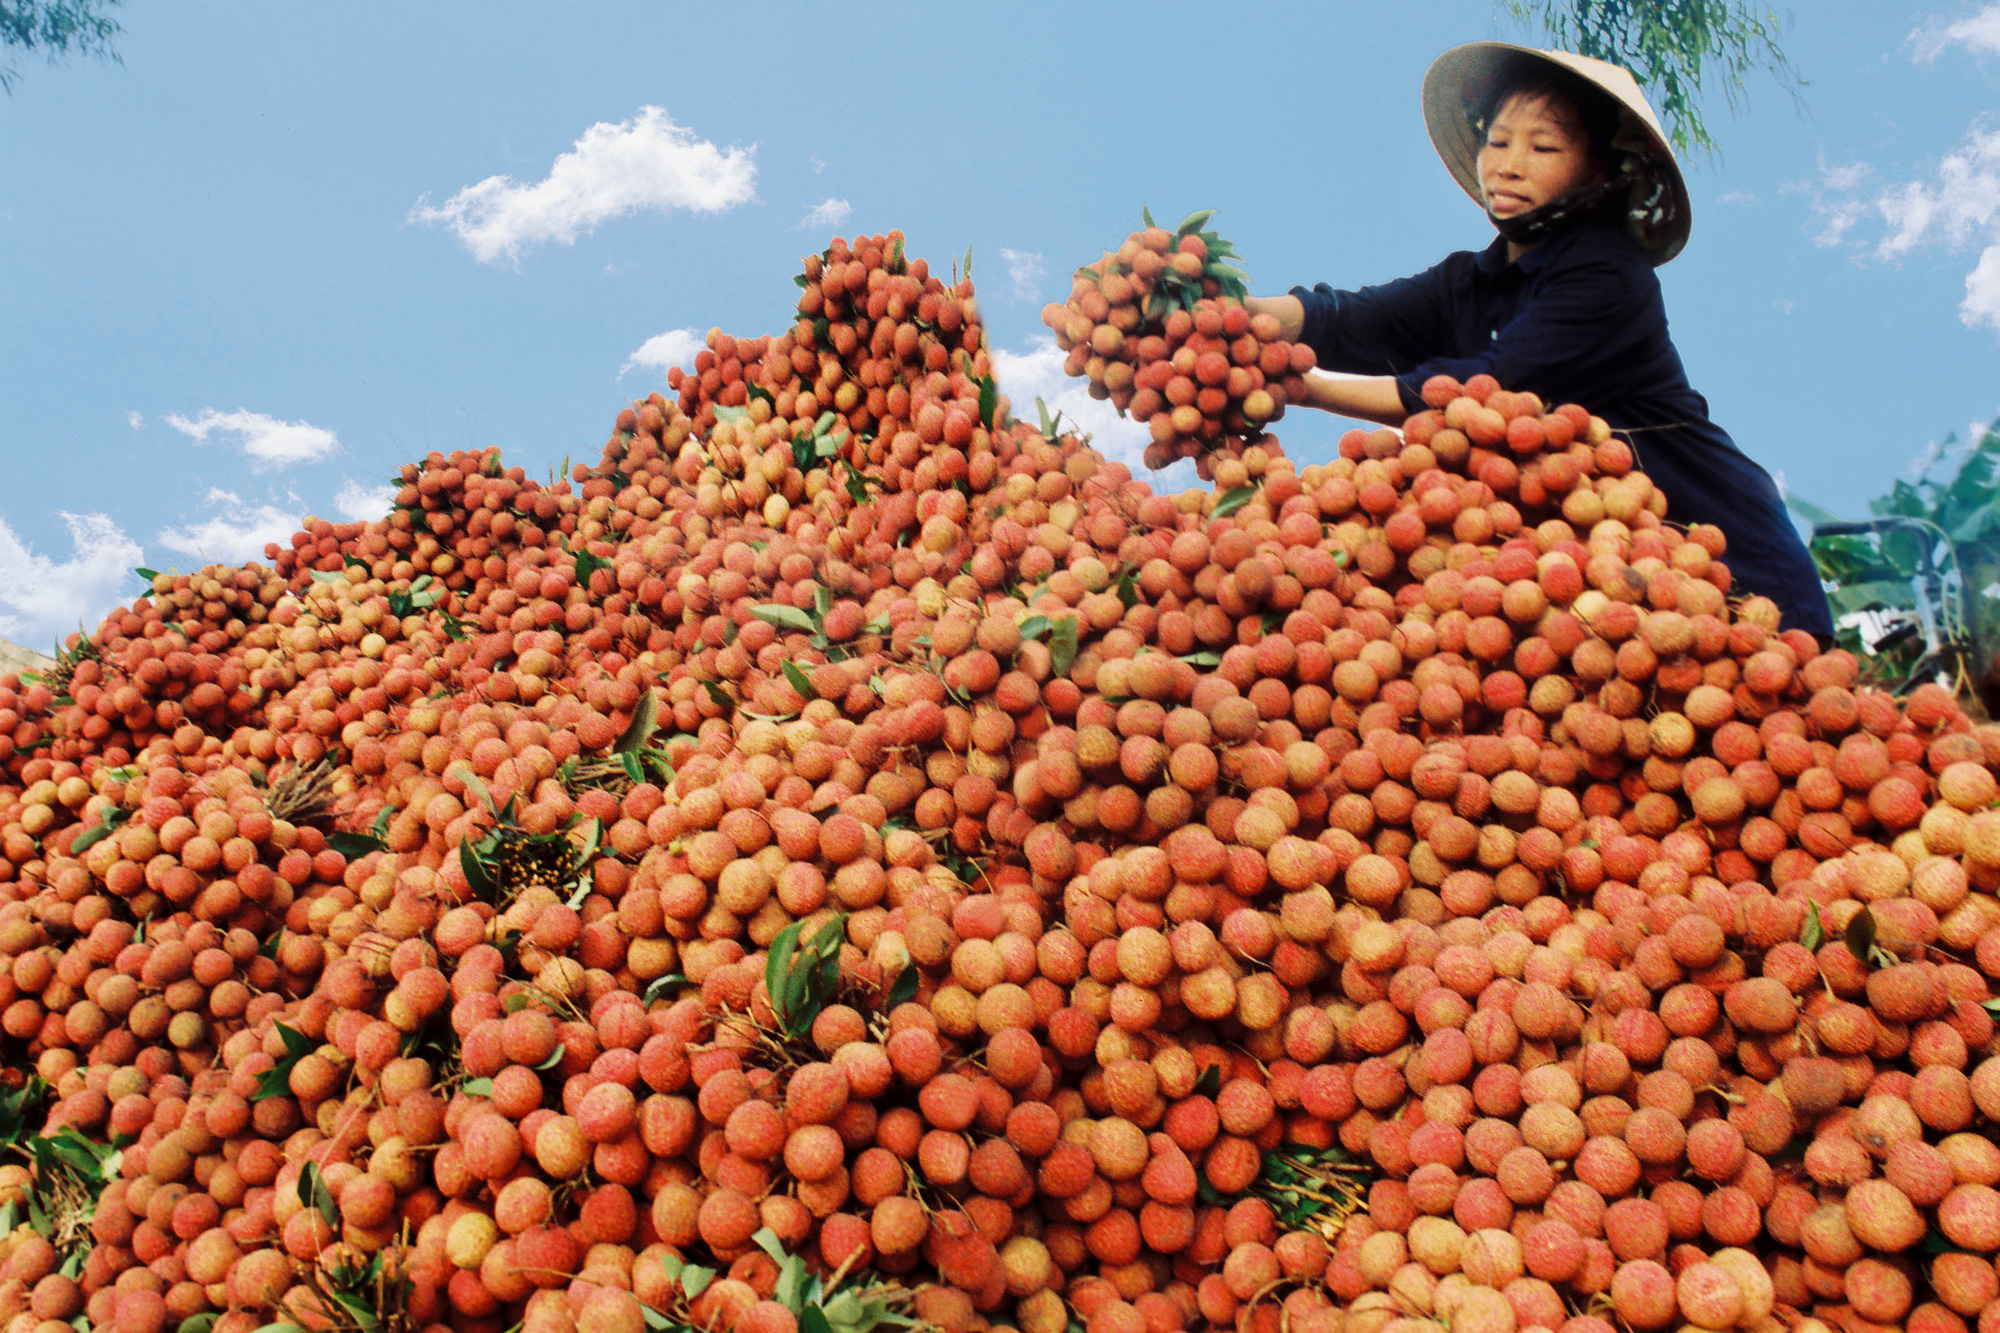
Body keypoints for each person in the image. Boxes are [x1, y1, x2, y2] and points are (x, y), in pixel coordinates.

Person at [1246, 42, 1833, 642]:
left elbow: (1491, 389)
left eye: (1543, 147)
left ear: (1601, 171)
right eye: (1497, 142)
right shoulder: (1467, 280)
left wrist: (1307, 390)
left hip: (1727, 569)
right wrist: (1224, 311)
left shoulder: (1609, 274)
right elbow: (1345, 319)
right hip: (1594, 592)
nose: (1508, 164)